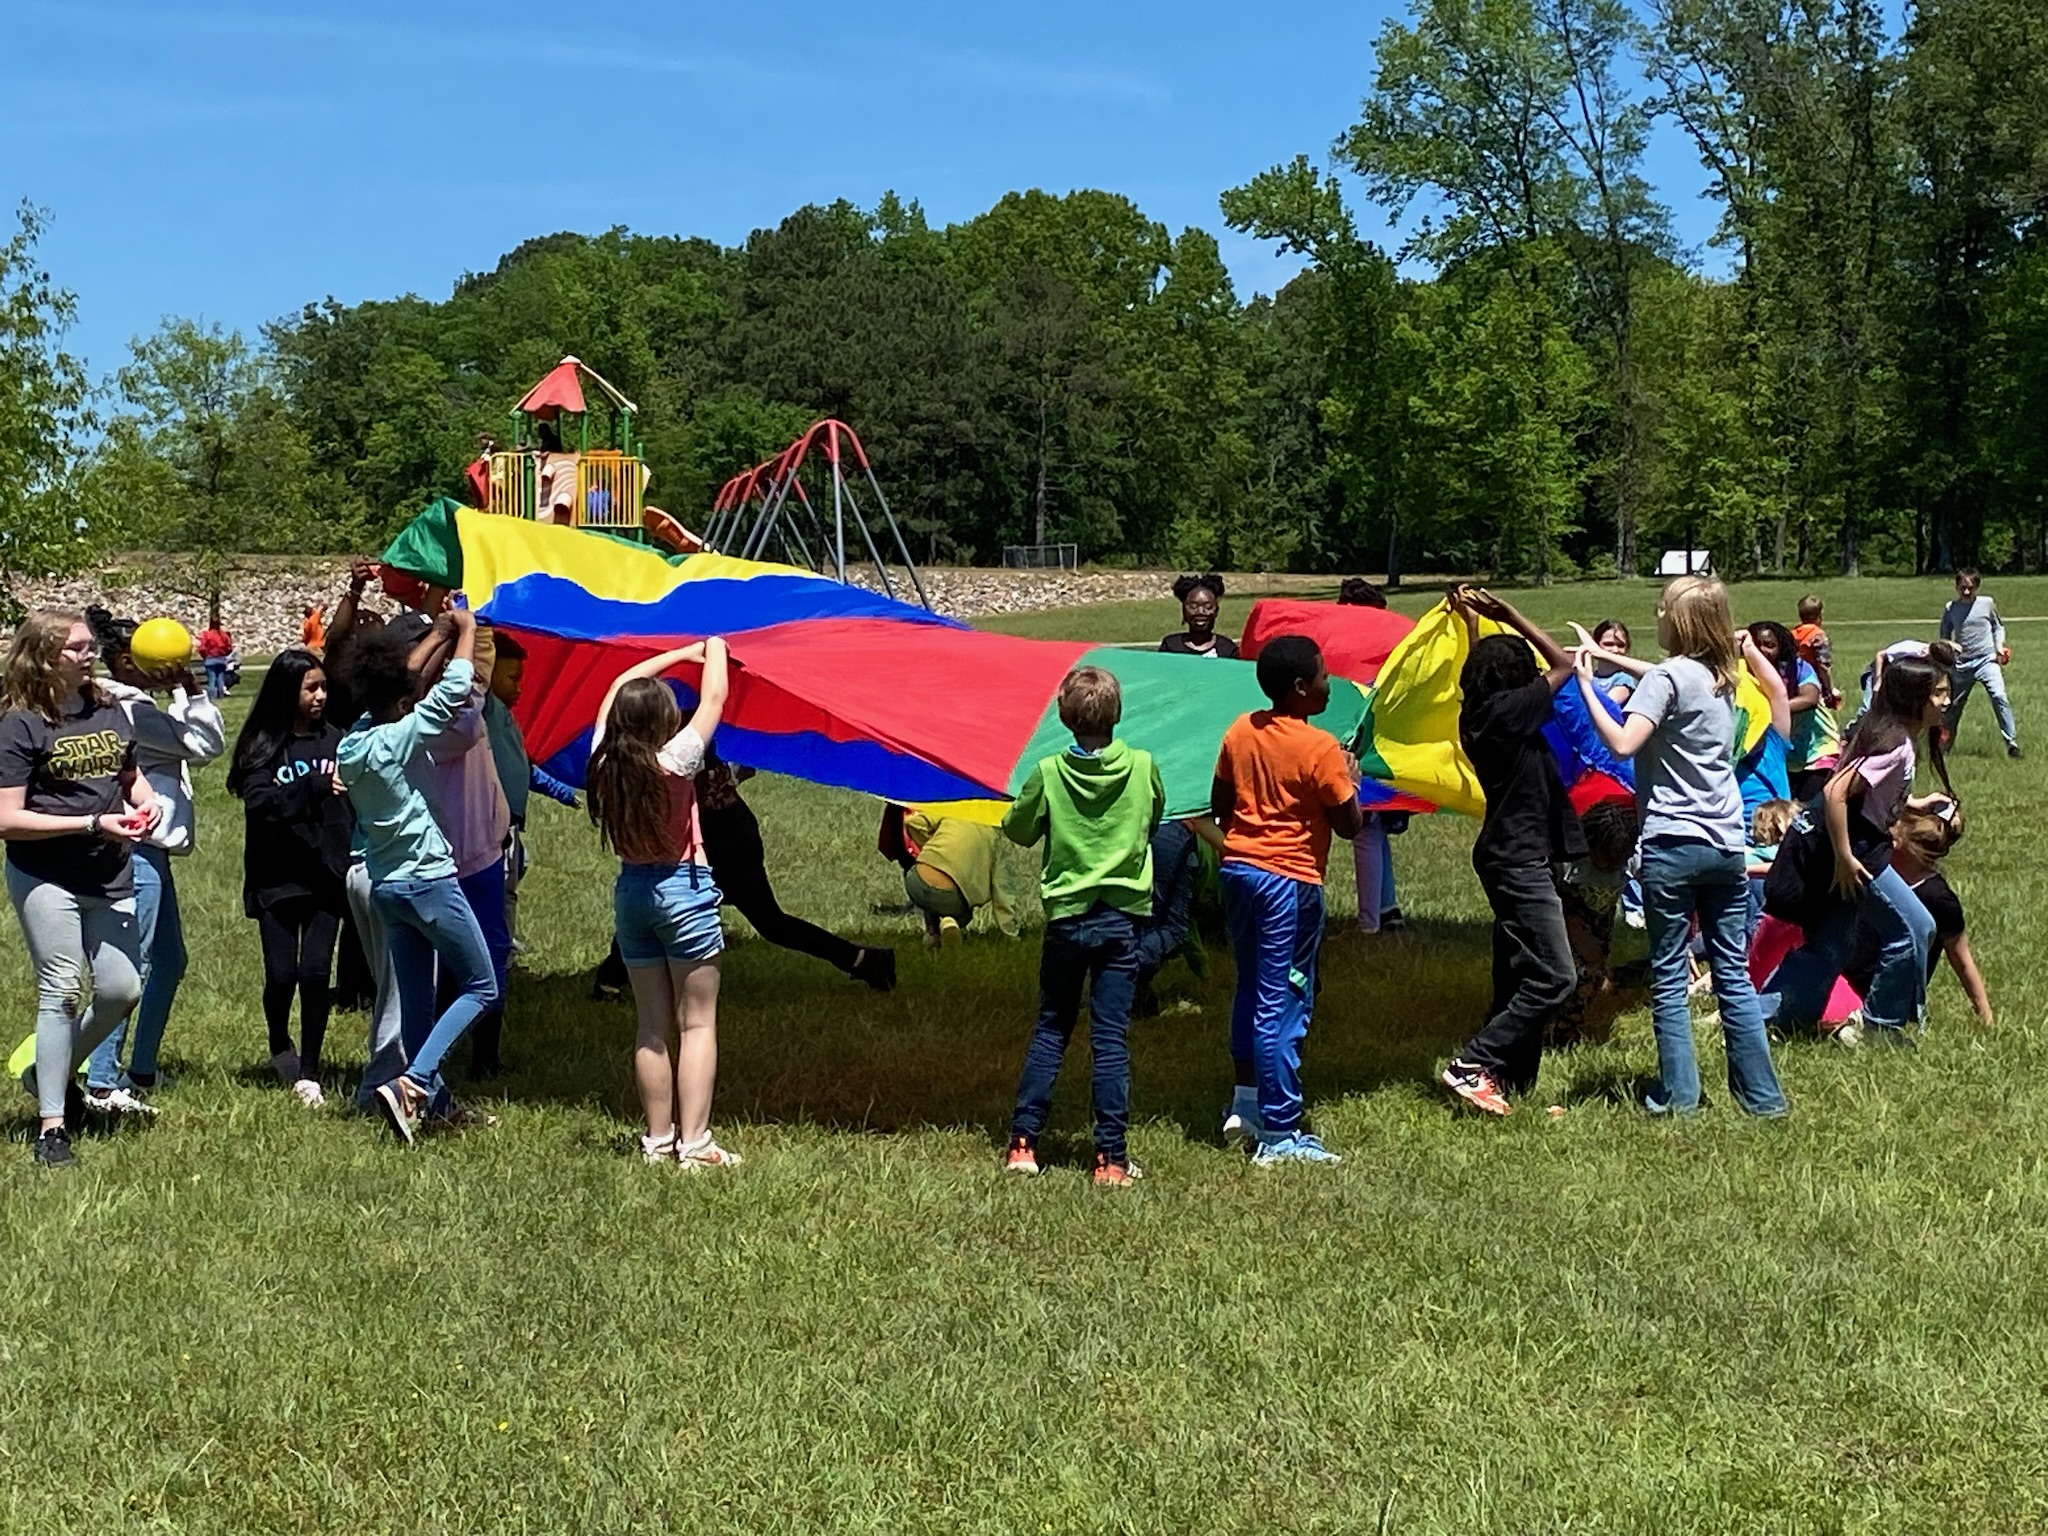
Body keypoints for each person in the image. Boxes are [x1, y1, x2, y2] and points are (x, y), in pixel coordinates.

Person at [1572, 578, 1788, 1117]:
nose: (1656, 614)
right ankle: (1762, 1099)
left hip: (1672, 844)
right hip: (1726, 846)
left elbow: (1621, 742)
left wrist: (1585, 683)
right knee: (1732, 974)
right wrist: (1611, 659)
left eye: (1663, 608)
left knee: (1668, 975)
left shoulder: (1672, 678)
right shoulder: (1724, 678)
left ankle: (1679, 1098)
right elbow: (1666, 678)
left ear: (1681, 622)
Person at [336, 603, 500, 1144]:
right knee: (481, 986)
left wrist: (438, 634)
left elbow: (399, 681)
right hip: (429, 881)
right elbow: (453, 689)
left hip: (388, 887)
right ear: (403, 703)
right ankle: (416, 1082)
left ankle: (436, 1104)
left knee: (418, 1006)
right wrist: (468, 633)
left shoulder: (355, 740)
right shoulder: (399, 737)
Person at [0, 611, 155, 1168]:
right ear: (43, 656)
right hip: (46, 873)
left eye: (90, 646)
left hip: (109, 871)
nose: (89, 655)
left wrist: (144, 800)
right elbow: (7, 820)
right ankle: (52, 1127)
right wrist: (91, 824)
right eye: (76, 648)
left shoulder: (109, 709)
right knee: (62, 989)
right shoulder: (21, 724)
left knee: (121, 989)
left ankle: (47, 1071)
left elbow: (127, 773)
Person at [1001, 666, 1163, 1186]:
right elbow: (1152, 820)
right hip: (1122, 920)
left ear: (1064, 718)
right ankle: (1111, 1159)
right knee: (1110, 1039)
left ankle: (1024, 1145)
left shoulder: (1048, 772)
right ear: (1117, 714)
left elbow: (1019, 830)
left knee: (1052, 1028)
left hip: (1068, 920)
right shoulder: (1142, 766)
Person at [1208, 634, 1363, 1164]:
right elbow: (1349, 825)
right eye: (1323, 676)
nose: (1328, 683)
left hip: (1238, 871)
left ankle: (1245, 1102)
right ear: (1301, 689)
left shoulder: (1239, 730)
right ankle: (1280, 1134)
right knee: (1284, 999)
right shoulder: (1320, 748)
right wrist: (1351, 783)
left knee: (1250, 986)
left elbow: (1220, 804)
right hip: (1288, 883)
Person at [586, 639, 740, 1168]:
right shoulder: (676, 760)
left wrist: (671, 656)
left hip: (631, 894)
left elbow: (612, 689)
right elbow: (715, 696)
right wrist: (712, 645)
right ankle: (695, 1145)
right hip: (683, 889)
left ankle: (657, 1140)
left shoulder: (605, 760)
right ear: (663, 723)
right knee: (696, 1023)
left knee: (651, 1026)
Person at [1437, 588, 1586, 1115]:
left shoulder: (1481, 712)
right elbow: (1567, 664)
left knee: (1518, 974)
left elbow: (1488, 670)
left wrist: (1477, 626)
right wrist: (1513, 617)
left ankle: (1508, 1082)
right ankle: (1471, 1063)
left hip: (1508, 854)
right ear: (1514, 679)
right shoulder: (1509, 711)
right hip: (1519, 860)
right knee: (1555, 976)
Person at [1757, 657, 1955, 1046]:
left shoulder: (1895, 734)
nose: (1946, 701)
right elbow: (1834, 792)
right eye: (1939, 693)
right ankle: (1877, 1026)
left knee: (1831, 945)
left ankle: (1767, 1019)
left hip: (1851, 842)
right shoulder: (1894, 743)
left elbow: (1864, 793)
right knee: (1915, 927)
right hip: (1855, 849)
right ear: (1915, 698)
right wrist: (1846, 857)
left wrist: (1913, 804)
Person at [80, 607, 225, 1105]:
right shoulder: (133, 711)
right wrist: (193, 690)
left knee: (168, 959)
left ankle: (139, 1070)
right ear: (126, 661)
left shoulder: (128, 704)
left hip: (149, 854)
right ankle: (102, 1079)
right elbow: (205, 744)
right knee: (132, 964)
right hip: (137, 850)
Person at [227, 648, 354, 1107]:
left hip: (326, 875)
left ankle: (310, 1071)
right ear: (288, 691)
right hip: (276, 876)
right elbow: (261, 804)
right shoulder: (262, 747)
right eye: (311, 688)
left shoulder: (339, 741)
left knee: (316, 971)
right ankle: (280, 1042)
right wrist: (314, 786)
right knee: (282, 975)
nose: (321, 696)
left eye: (324, 687)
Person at [696, 750, 896, 989]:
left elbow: (739, 765)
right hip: (718, 830)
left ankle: (863, 959)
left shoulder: (689, 729)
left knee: (770, 922)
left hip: (725, 837)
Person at [1838, 805, 1990, 1031]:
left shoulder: (1938, 899)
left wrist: (1985, 1015)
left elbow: (1962, 960)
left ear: (1901, 843)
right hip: (1844, 975)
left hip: (1879, 994)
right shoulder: (1872, 874)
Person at [482, 632, 579, 952]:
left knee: (513, 876)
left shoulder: (505, 716)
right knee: (501, 890)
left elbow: (524, 768)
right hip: (492, 822)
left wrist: (562, 792)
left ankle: (502, 942)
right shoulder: (486, 710)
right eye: (511, 677)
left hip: (510, 822)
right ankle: (499, 950)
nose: (519, 686)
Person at [881, 807, 1020, 946]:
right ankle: (949, 921)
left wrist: (928, 844)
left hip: (917, 882)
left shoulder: (952, 810)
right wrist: (1010, 934)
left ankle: (932, 933)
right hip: (951, 899)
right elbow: (1003, 894)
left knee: (933, 891)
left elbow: (912, 823)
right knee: (962, 912)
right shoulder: (997, 842)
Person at [1941, 568, 2019, 758]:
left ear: (1977, 586)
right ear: (1957, 586)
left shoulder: (1987, 603)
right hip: (1961, 665)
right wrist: (1951, 645)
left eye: (1970, 588)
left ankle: (2012, 744)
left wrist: (1999, 646)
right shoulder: (1951, 608)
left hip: (1987, 661)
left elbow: (1998, 626)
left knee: (1999, 696)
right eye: (1962, 588)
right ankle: (1944, 748)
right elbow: (1943, 636)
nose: (1966, 592)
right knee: (1953, 709)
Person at [1159, 574, 1239, 659]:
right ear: (1183, 611)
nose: (1200, 612)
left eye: (1208, 607)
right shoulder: (1171, 646)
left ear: (1216, 611)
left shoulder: (1227, 649)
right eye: (1193, 607)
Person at [1792, 595, 1840, 708]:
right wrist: (1830, 688)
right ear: (1819, 616)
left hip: (1795, 683)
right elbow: (1823, 666)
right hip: (1815, 684)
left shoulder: (1793, 634)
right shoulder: (1818, 636)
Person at [1589, 620, 1636, 707]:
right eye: (1608, 644)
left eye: (1620, 645)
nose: (1615, 650)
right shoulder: (1592, 677)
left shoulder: (1624, 679)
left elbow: (1607, 706)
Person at [196, 614, 235, 699]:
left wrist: (205, 656)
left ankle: (212, 696)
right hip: (221, 659)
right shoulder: (224, 635)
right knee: (220, 679)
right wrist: (224, 653)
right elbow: (229, 647)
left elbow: (202, 648)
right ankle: (221, 695)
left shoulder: (207, 635)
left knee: (212, 680)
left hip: (210, 659)